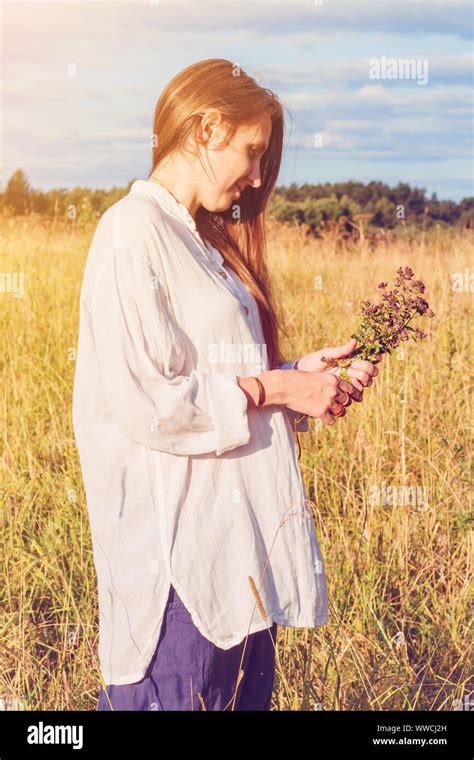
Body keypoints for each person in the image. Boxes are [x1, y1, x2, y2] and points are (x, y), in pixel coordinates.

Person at [72, 58, 381, 711]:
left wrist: (302, 376)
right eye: (252, 151)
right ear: (206, 127)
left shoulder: (198, 243)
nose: (259, 176)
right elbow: (152, 406)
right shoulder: (132, 233)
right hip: (176, 574)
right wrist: (275, 390)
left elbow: (215, 378)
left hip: (235, 554)